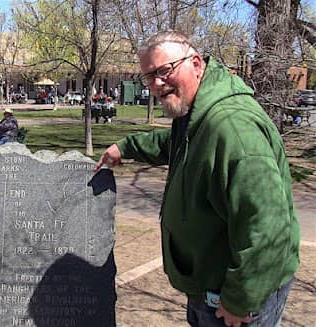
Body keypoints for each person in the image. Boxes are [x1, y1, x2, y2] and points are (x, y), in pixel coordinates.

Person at [94, 30, 300, 327]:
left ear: (195, 63)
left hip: (236, 300)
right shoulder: (198, 115)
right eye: (148, 76)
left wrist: (240, 300)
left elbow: (268, 227)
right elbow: (176, 143)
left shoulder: (232, 128)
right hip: (208, 289)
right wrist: (125, 148)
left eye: (164, 70)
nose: (156, 84)